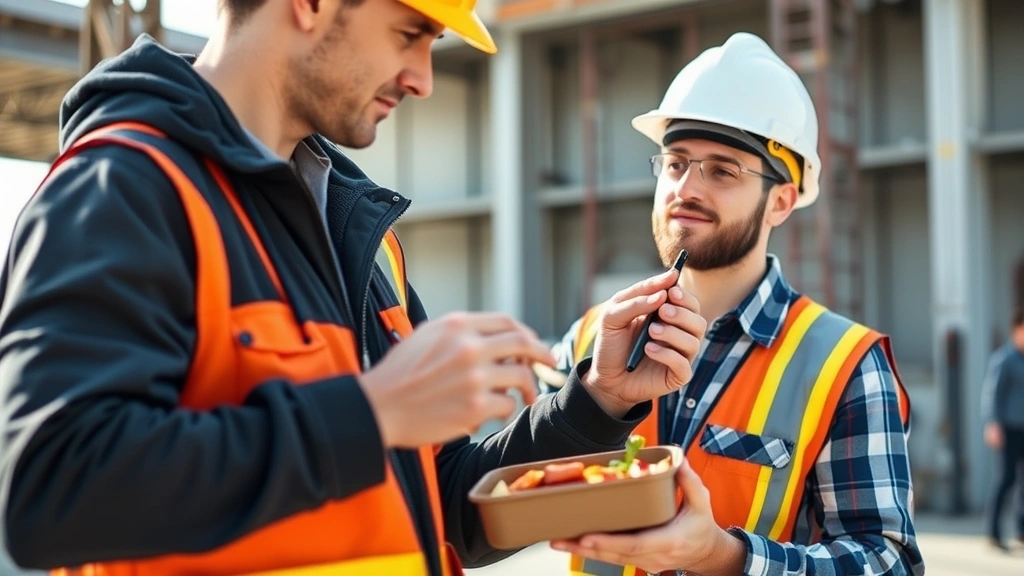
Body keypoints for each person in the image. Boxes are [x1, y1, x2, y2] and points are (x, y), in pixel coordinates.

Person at [0, 1, 709, 575]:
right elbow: (51, 494)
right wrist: (368, 415)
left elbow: (448, 513)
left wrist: (597, 403)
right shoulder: (122, 190)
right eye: (410, 33)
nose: (424, 77)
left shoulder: (358, 231)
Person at [536, 32, 925, 576]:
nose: (686, 189)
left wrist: (722, 557)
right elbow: (527, 498)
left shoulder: (847, 364)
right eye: (675, 163)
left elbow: (890, 563)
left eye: (722, 170)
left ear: (781, 201)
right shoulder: (589, 338)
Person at [981, 307, 1024, 552]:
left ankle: (1021, 529)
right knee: (1006, 479)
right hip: (1008, 429)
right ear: (1016, 330)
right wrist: (993, 424)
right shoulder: (1004, 359)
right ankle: (993, 531)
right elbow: (992, 394)